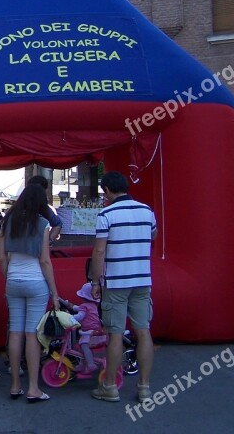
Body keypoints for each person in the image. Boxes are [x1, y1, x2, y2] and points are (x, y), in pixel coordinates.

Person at [91, 171, 157, 404]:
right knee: (143, 331)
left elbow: (99, 251)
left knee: (115, 334)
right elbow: (152, 237)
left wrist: (95, 281)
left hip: (116, 282)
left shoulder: (106, 214)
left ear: (107, 190)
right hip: (142, 280)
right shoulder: (147, 211)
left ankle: (110, 387)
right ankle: (144, 387)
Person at [0, 184, 59, 403]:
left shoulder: (8, 221)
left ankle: (15, 385)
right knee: (32, 333)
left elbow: (1, 258)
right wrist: (55, 293)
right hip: (36, 283)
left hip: (13, 281)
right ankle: (33, 387)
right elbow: (44, 260)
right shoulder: (42, 224)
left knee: (15, 332)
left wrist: (8, 278)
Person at [60, 283, 102, 373]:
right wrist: (69, 304)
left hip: (89, 331)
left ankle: (91, 364)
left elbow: (80, 315)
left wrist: (69, 318)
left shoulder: (85, 306)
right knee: (80, 347)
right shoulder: (92, 305)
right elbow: (76, 308)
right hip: (94, 330)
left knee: (84, 345)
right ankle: (83, 363)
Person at [28, 175, 63, 242]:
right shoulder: (45, 208)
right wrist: (49, 241)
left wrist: (48, 241)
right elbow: (58, 224)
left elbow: (58, 223)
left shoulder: (45, 208)